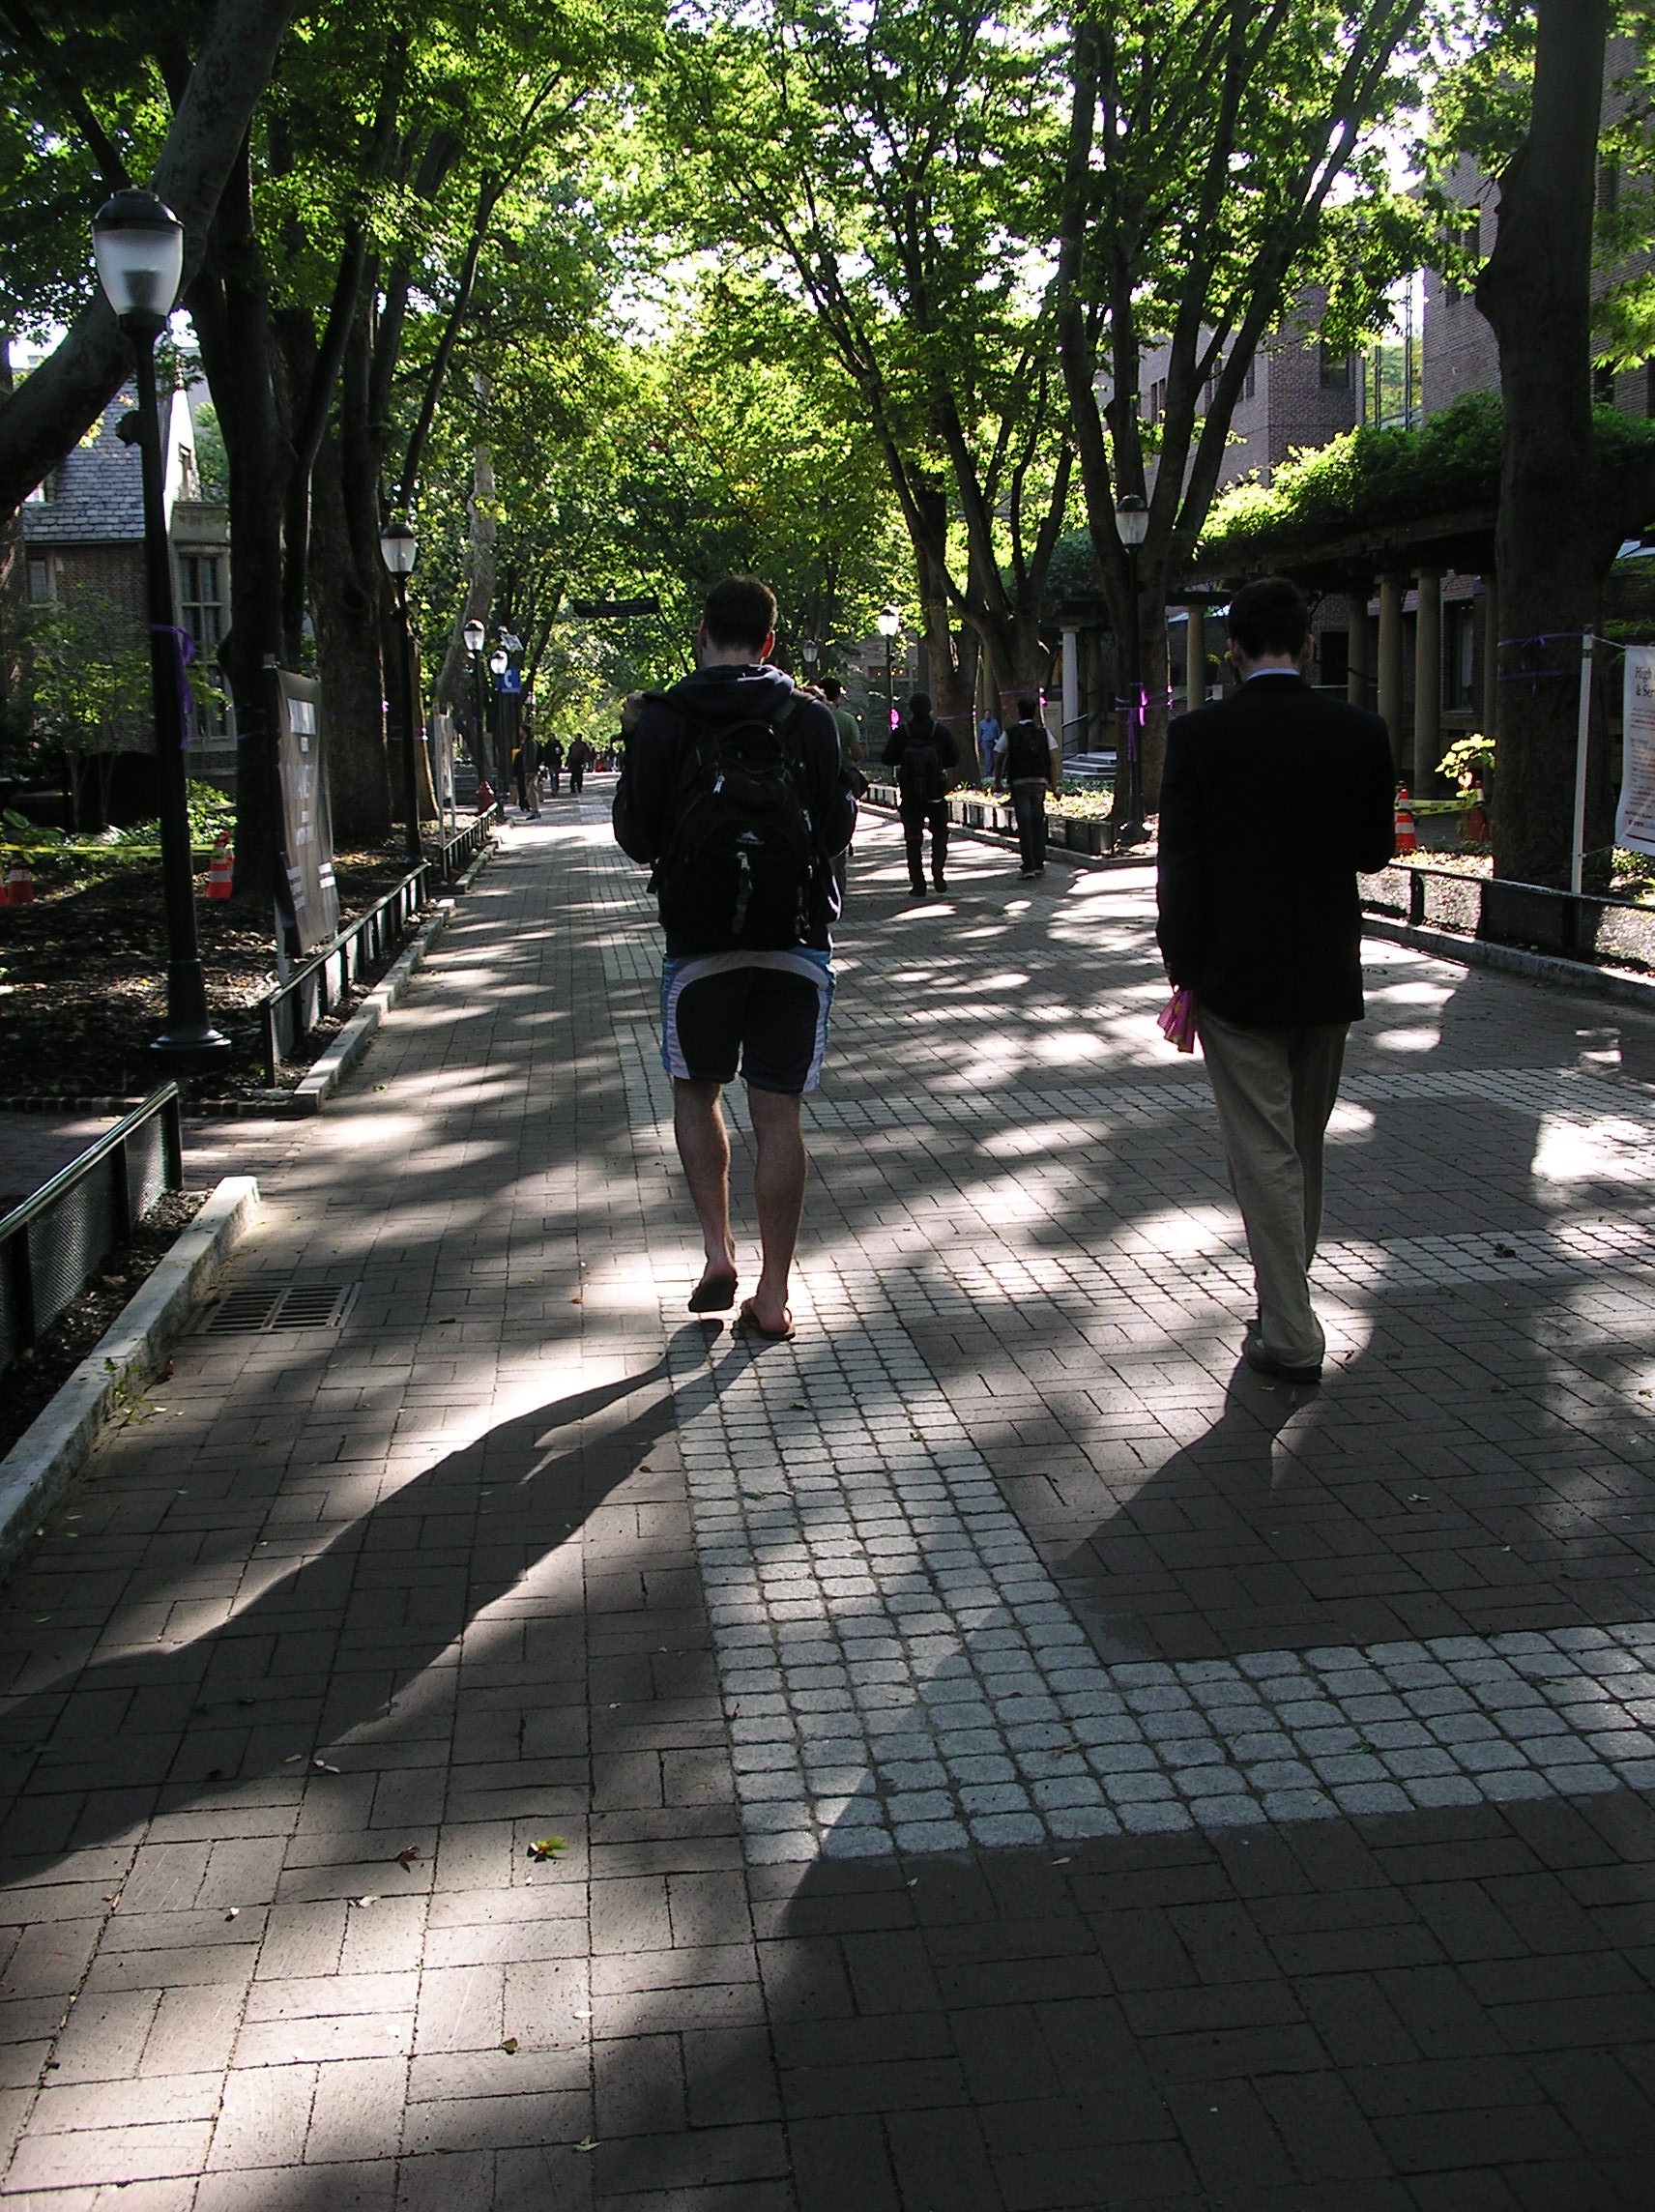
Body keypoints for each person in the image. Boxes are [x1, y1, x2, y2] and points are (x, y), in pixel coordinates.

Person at [1156, 574, 1395, 1387]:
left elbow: (1179, 867)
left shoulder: (1198, 738)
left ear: (1231, 653)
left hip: (1234, 975)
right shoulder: (1361, 731)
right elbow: (1374, 853)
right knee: (1301, 1146)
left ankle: (1290, 1331)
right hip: (1326, 970)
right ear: (1304, 645)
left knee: (1264, 1150)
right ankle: (1279, 1305)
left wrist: (1182, 970)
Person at [614, 575, 855, 1340]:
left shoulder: (665, 719)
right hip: (795, 942)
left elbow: (636, 836)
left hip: (699, 946)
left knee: (696, 1093)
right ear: (771, 642)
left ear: (701, 632)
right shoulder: (810, 719)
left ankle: (717, 1251)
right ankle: (774, 1297)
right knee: (777, 1112)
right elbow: (837, 827)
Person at [884, 691, 957, 897]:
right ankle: (938, 869)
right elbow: (954, 759)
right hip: (935, 793)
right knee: (940, 833)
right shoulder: (940, 732)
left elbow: (887, 758)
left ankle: (918, 883)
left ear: (911, 709)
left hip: (910, 795)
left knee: (913, 839)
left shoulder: (902, 733)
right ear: (930, 708)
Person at [994, 696, 1059, 877]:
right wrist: (1054, 785)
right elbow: (1052, 761)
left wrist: (997, 781)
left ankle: (1028, 865)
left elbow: (998, 756)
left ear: (1018, 712)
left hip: (1019, 782)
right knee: (1038, 821)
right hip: (1040, 782)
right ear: (1034, 712)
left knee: (1025, 823)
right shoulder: (1043, 733)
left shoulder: (1010, 733)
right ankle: (1039, 862)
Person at [819, 677, 863, 904]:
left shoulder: (808, 717)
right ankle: (838, 886)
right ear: (837, 695)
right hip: (839, 782)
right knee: (840, 827)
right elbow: (856, 753)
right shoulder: (845, 720)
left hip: (813, 784)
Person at [976, 707, 1001, 785]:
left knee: (993, 758)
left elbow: (998, 732)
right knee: (988, 757)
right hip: (985, 742)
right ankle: (988, 774)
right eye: (986, 714)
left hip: (994, 742)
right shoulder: (981, 724)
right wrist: (979, 743)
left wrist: (999, 741)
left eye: (989, 714)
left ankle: (992, 771)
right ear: (984, 715)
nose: (987, 715)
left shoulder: (995, 722)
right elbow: (979, 734)